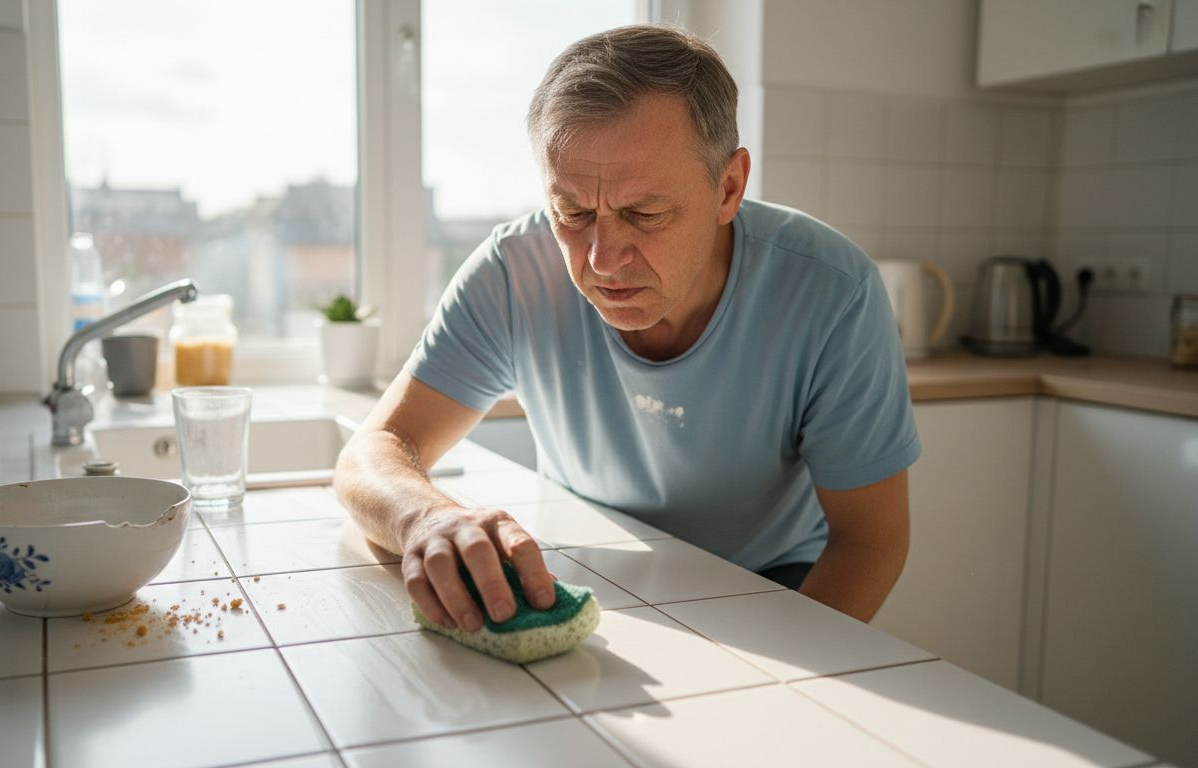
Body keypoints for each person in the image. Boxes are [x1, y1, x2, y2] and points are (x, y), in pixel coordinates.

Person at [333, 25, 919, 631]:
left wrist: (795, 677)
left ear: (729, 188)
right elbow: (373, 451)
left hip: (770, 590)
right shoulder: (515, 272)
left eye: (645, 214)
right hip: (584, 580)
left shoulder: (831, 289)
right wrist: (424, 519)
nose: (602, 260)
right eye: (572, 213)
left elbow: (870, 542)